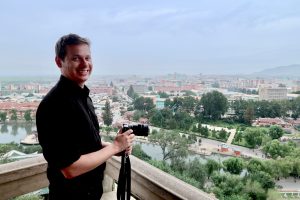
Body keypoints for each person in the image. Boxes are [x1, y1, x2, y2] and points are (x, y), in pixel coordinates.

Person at [36, 33, 135, 200]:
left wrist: (114, 147)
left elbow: (85, 145)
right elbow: (70, 168)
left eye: (87, 58)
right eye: (76, 58)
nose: (85, 64)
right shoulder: (55, 105)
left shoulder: (83, 97)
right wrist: (114, 148)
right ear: (59, 61)